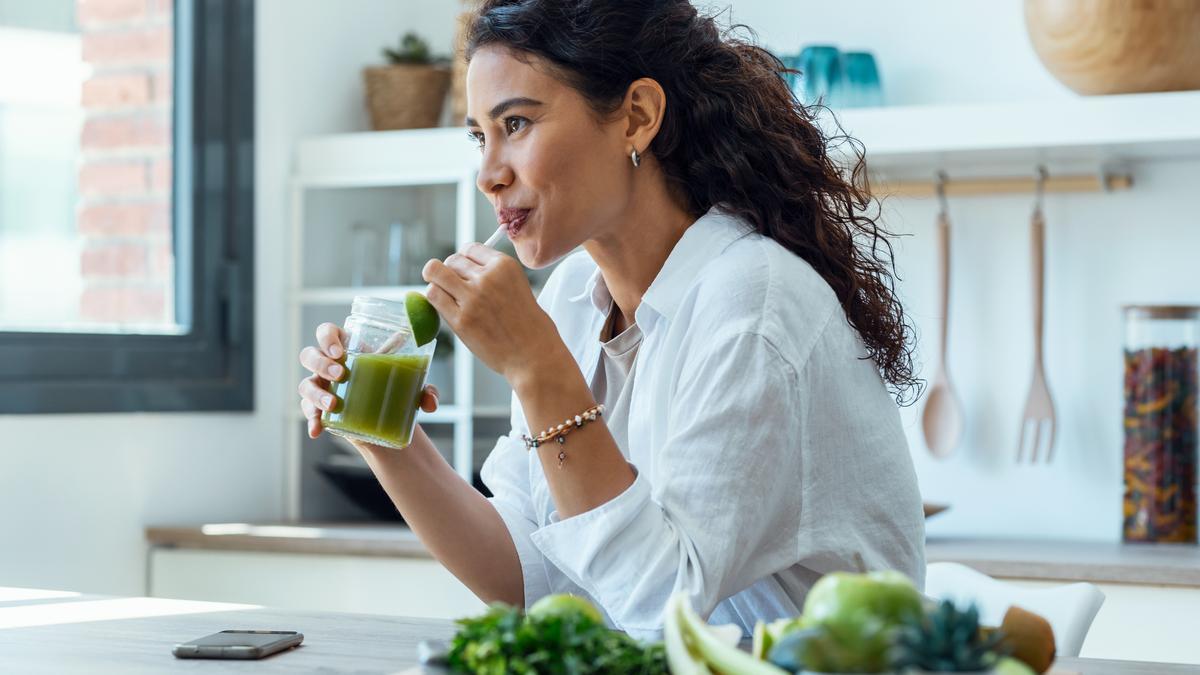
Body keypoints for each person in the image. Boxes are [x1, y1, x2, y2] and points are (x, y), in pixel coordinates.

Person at [298, 0, 924, 640]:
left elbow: (663, 613)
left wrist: (537, 369)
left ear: (636, 118)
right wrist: (382, 433)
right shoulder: (573, 296)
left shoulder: (752, 303)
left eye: (516, 123)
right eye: (479, 136)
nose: (489, 173)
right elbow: (529, 575)